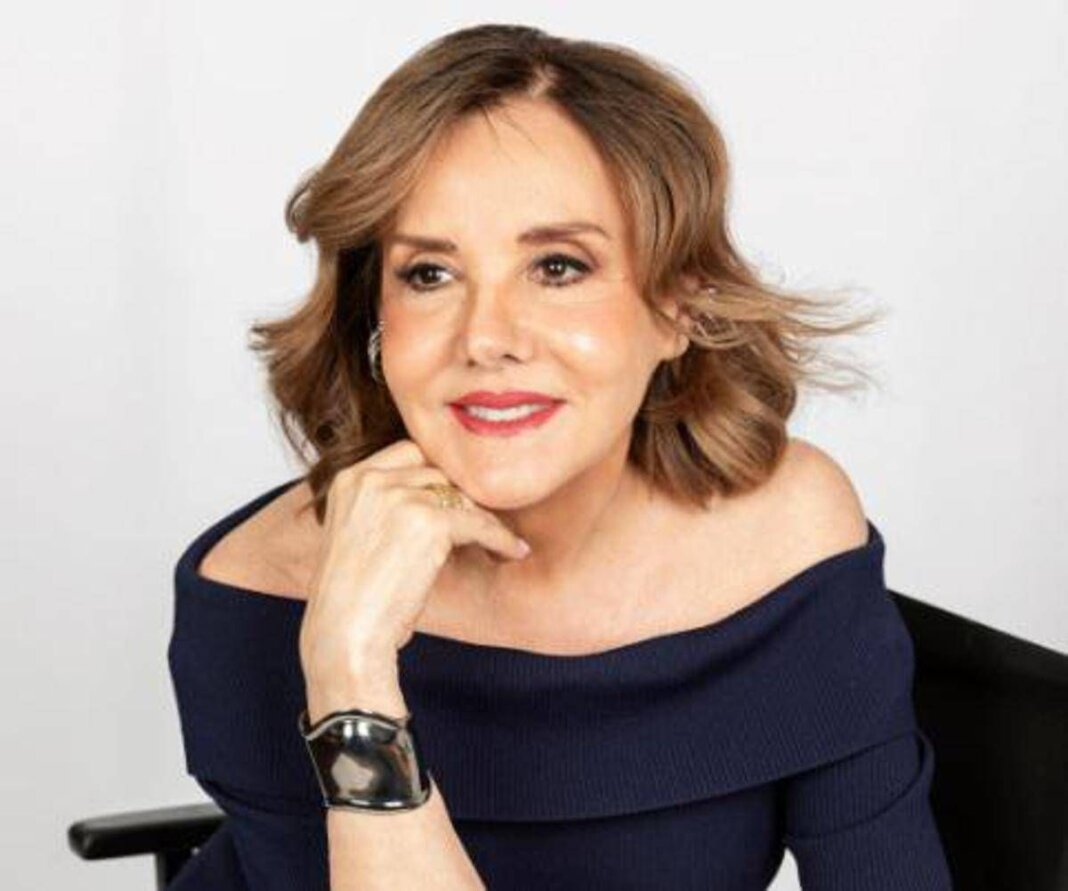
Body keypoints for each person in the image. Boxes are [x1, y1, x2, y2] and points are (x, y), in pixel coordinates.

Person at [166, 22, 954, 890]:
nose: (487, 337)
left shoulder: (788, 538)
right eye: (429, 274)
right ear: (374, 321)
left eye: (557, 267)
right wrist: (350, 673)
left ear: (679, 307)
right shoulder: (260, 592)